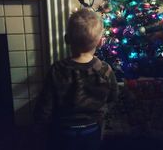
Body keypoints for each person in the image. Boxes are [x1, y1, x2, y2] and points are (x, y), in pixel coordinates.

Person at [33, 8, 118, 150]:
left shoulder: (57, 69)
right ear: (100, 42)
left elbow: (45, 105)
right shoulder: (105, 70)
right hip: (92, 130)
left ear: (67, 39)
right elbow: (113, 97)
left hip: (62, 133)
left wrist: (39, 128)